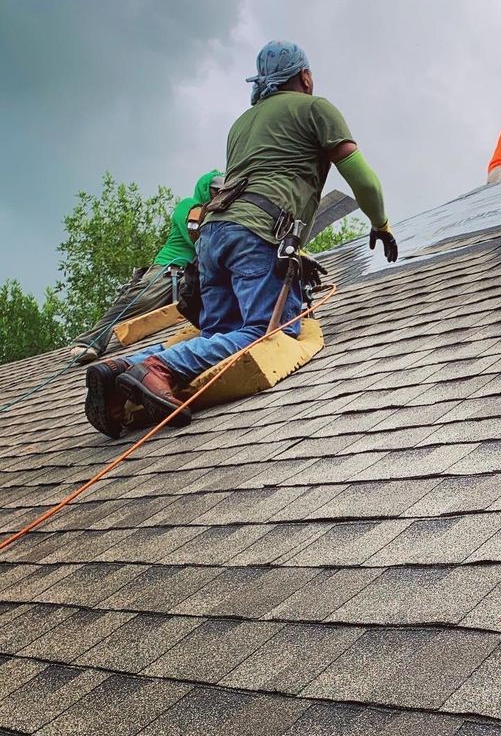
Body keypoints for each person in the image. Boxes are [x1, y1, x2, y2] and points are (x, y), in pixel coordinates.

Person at [84, 40, 396, 439]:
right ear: (305, 76)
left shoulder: (241, 124)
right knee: (269, 333)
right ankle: (159, 368)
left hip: (212, 236)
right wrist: (380, 223)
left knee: (218, 334)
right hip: (257, 234)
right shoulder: (316, 108)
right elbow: (363, 179)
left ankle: (121, 369)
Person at [70, 170, 223, 365]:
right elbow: (195, 235)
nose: (218, 195)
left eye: (221, 191)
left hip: (193, 273)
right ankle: (89, 341)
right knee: (140, 301)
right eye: (214, 191)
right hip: (170, 269)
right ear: (205, 190)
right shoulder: (189, 206)